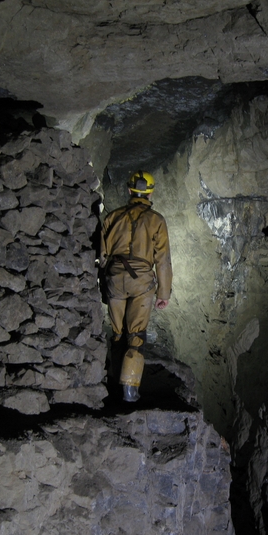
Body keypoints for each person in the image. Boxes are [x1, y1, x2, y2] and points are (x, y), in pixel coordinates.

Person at [100, 170, 172, 402]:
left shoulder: (113, 217)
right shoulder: (156, 220)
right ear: (150, 193)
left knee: (118, 333)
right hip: (141, 281)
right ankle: (129, 391)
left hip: (115, 278)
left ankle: (113, 383)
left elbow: (102, 256)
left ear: (129, 191)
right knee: (136, 335)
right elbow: (162, 260)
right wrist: (163, 292)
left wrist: (104, 284)